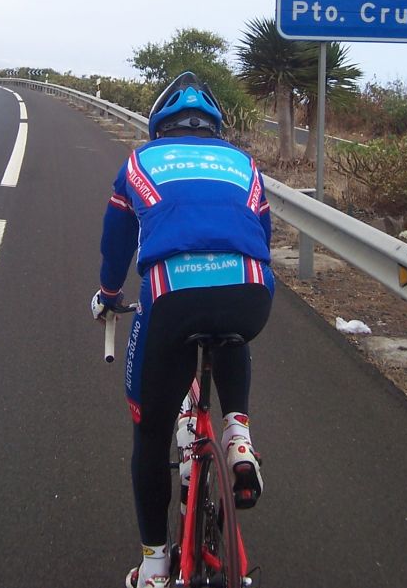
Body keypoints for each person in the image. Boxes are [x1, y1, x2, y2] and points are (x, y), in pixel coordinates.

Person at [90, 72, 274, 588]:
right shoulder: (245, 164)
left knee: (150, 435)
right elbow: (261, 234)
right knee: (231, 328)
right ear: (215, 127)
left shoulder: (139, 161)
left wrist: (108, 295)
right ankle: (238, 436)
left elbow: (116, 245)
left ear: (159, 126)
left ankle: (153, 566)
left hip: (174, 297)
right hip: (251, 291)